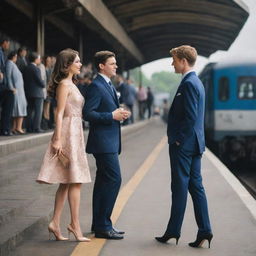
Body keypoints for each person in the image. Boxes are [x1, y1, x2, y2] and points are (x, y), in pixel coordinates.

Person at [155, 45, 213, 248]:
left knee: (179, 188)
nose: (172, 63)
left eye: (174, 60)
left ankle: (173, 231)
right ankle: (205, 230)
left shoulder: (188, 83)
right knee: (196, 187)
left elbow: (189, 117)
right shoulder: (196, 82)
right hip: (195, 144)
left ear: (183, 61)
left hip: (184, 146)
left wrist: (178, 140)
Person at [36, 49, 91, 242]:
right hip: (68, 132)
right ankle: (75, 226)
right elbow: (59, 113)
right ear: (67, 65)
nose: (80, 64)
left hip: (76, 131)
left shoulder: (72, 84)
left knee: (68, 182)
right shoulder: (64, 85)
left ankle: (55, 222)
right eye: (77, 61)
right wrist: (57, 138)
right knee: (75, 181)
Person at [84, 50, 130, 240]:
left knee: (103, 181)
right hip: (103, 143)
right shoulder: (96, 85)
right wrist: (112, 115)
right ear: (102, 66)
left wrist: (119, 112)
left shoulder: (107, 84)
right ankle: (104, 226)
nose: (116, 66)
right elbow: (88, 113)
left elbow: (105, 109)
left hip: (109, 141)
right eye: (112, 63)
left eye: (115, 63)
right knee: (114, 179)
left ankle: (99, 224)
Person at [23, 52, 45, 133]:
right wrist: (43, 84)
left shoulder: (26, 68)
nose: (39, 60)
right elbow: (39, 81)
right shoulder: (36, 69)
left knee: (29, 111)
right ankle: (36, 128)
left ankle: (29, 128)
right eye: (39, 58)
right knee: (38, 111)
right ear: (36, 59)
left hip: (28, 93)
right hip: (38, 93)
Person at [6, 51, 27, 134]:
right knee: (18, 108)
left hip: (19, 90)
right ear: (14, 56)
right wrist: (11, 87)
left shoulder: (12, 64)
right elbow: (8, 76)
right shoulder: (9, 64)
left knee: (18, 108)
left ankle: (16, 127)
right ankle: (18, 127)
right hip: (16, 90)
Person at [0, 37, 15, 136]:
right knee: (7, 104)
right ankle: (4, 129)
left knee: (7, 106)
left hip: (3, 84)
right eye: (8, 44)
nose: (8, 46)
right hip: (2, 84)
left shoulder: (2, 52)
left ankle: (5, 129)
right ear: (4, 43)